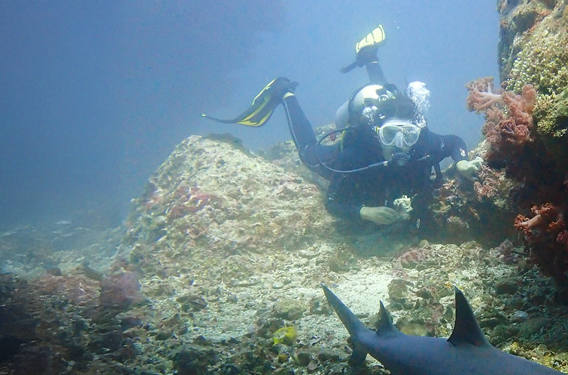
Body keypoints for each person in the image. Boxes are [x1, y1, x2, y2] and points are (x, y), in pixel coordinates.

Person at [204, 25, 483, 229]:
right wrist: (364, 212)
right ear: (376, 132)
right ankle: (285, 93)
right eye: (390, 134)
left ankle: (370, 57)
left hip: (381, 112)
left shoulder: (423, 142)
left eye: (408, 134)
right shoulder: (357, 152)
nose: (401, 143)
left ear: (417, 131)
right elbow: (333, 202)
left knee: (389, 99)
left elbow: (455, 142)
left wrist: (462, 163)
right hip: (353, 142)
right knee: (308, 153)